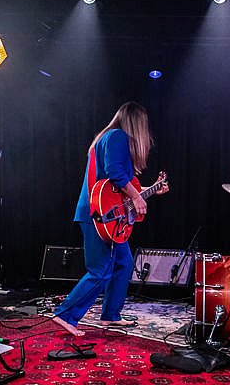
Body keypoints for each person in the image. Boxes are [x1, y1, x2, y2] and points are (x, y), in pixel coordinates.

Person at [53, 101, 169, 336]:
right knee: (100, 270)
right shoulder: (117, 136)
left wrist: (151, 189)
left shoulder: (107, 137)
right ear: (136, 123)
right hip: (99, 215)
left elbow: (119, 188)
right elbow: (115, 173)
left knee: (124, 264)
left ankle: (110, 315)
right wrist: (137, 197)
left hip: (109, 215)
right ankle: (65, 314)